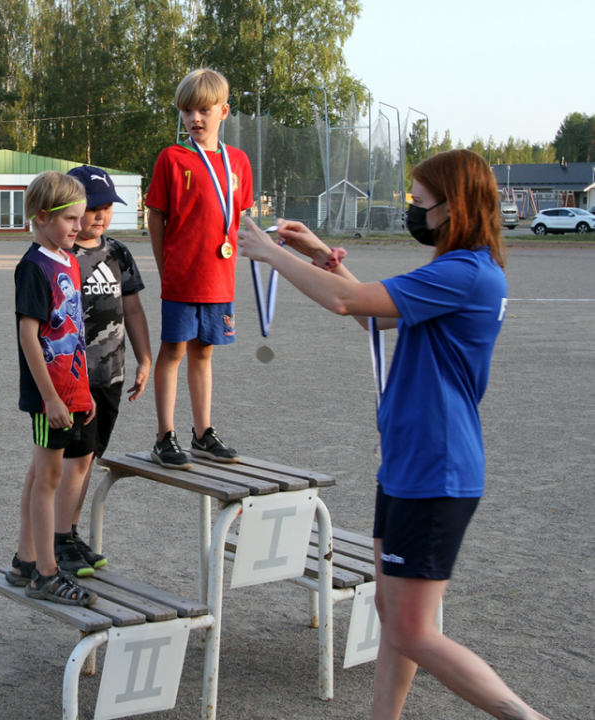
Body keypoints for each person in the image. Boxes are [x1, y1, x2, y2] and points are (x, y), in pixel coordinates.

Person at [237, 149, 549, 720]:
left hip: (437, 468)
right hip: (411, 464)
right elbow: (372, 314)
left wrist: (270, 254)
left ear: (454, 207)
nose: (415, 212)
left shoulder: (464, 273)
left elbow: (345, 303)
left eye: (421, 203)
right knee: (397, 618)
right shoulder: (458, 272)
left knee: (413, 631)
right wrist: (319, 256)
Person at [145, 68, 254, 469]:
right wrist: (164, 267)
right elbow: (156, 217)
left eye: (204, 110)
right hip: (181, 276)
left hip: (218, 279)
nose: (195, 118)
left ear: (223, 111)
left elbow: (239, 220)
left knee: (204, 353)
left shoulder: (238, 162)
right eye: (187, 111)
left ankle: (203, 433)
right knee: (172, 350)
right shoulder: (172, 158)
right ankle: (164, 436)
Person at [49, 165, 154, 576]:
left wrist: (145, 359)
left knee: (90, 457)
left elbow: (133, 309)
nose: (99, 216)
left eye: (107, 207)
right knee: (73, 460)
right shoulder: (63, 257)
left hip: (110, 375)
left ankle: (69, 532)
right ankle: (59, 542)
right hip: (75, 381)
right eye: (92, 207)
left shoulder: (117, 253)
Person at [7, 170, 97, 606]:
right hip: (50, 397)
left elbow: (74, 330)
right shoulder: (34, 266)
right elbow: (30, 336)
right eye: (71, 220)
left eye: (81, 219)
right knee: (49, 478)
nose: (79, 227)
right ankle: (45, 573)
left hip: (72, 388)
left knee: (39, 472)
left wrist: (83, 390)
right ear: (43, 217)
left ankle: (25, 559)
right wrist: (51, 397)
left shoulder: (70, 260)